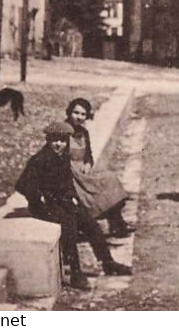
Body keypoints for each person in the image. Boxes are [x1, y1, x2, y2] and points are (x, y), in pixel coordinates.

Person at [15, 120, 131, 289]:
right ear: (47, 140)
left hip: (64, 202)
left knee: (90, 223)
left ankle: (108, 262)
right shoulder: (39, 160)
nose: (58, 144)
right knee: (69, 225)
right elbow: (22, 185)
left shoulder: (63, 157)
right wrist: (38, 199)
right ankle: (75, 272)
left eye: (62, 140)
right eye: (54, 140)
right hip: (44, 206)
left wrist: (73, 198)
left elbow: (67, 183)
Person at [65, 97, 134, 238]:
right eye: (76, 113)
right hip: (68, 175)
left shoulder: (84, 133)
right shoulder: (61, 132)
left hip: (84, 173)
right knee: (92, 193)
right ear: (69, 113)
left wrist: (87, 164)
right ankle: (116, 225)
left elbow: (89, 156)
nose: (79, 117)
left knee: (110, 179)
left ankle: (116, 222)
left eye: (83, 114)